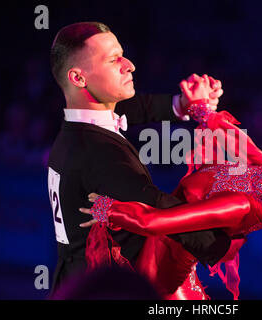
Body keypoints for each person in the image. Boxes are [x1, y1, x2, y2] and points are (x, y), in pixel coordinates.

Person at [80, 75, 262, 300]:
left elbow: (153, 221)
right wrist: (202, 105)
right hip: (164, 266)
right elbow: (233, 137)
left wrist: (107, 209)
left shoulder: (241, 206)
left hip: (166, 286)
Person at [47, 21, 232, 296]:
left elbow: (134, 109)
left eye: (122, 54)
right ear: (78, 78)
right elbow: (160, 209)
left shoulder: (81, 128)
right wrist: (223, 243)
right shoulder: (99, 153)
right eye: (113, 60)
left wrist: (182, 105)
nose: (129, 64)